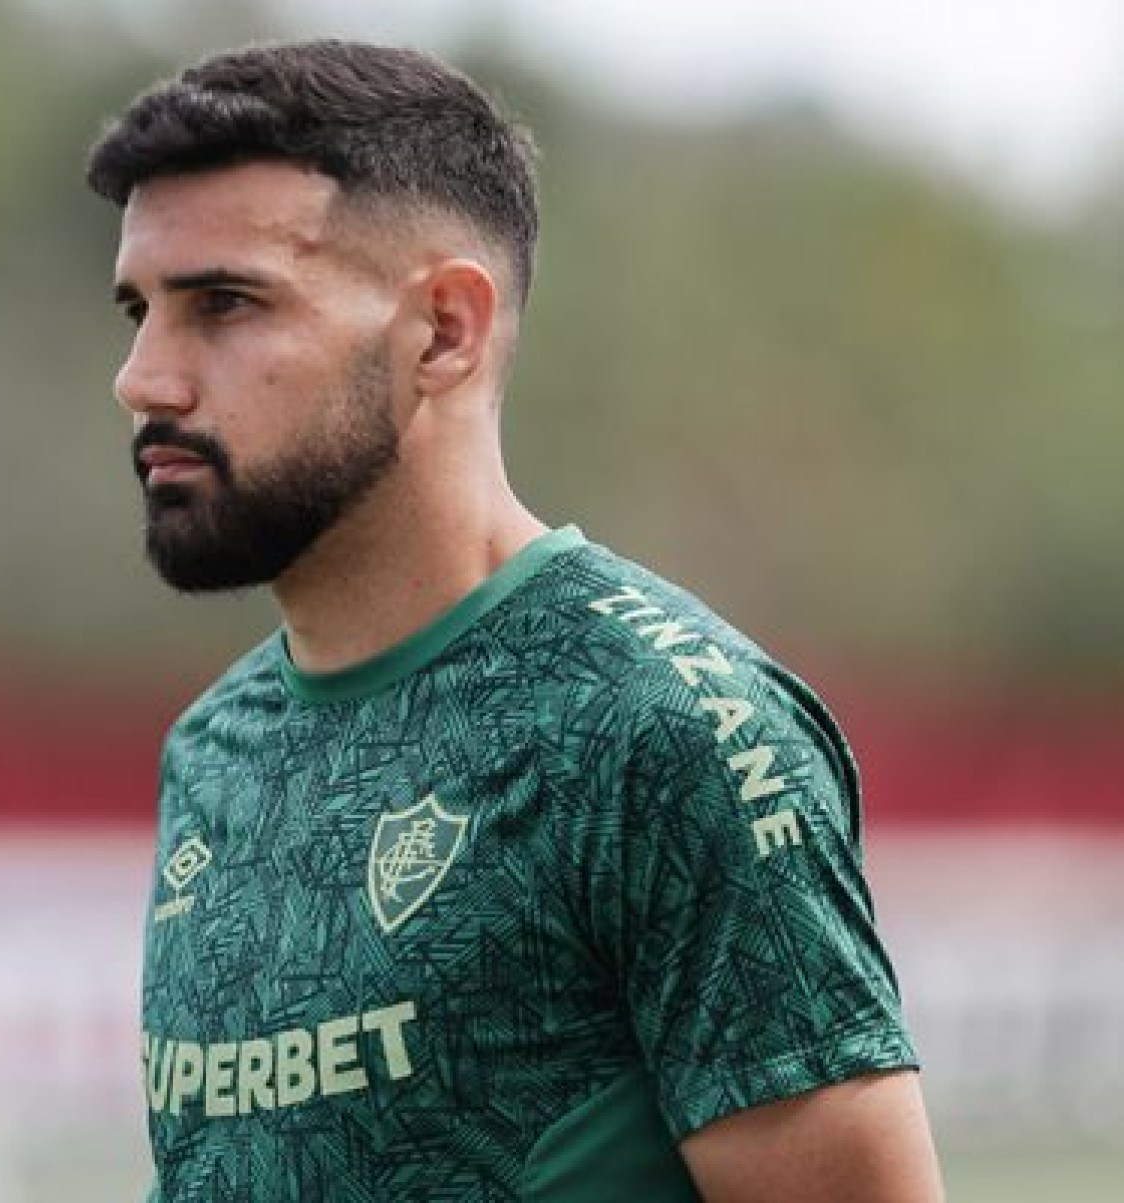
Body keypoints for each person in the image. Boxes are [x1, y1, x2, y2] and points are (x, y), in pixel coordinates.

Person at [86, 39, 943, 1202]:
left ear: (443, 329)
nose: (145, 378)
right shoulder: (215, 749)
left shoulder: (661, 731)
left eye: (224, 304)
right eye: (142, 310)